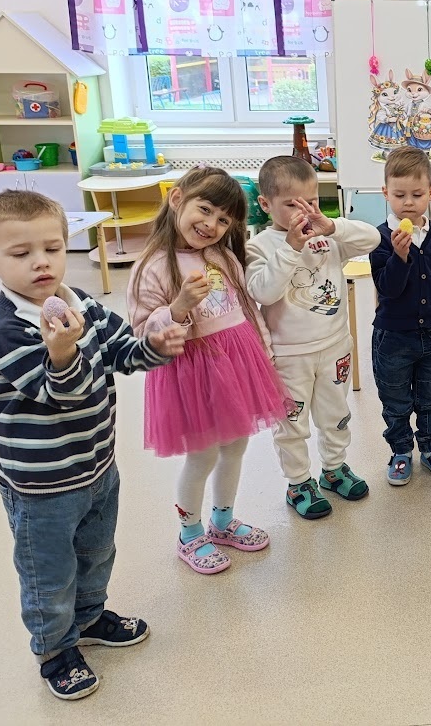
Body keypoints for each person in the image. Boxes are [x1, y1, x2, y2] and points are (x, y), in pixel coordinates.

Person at [0, 191, 186, 699]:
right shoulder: (6, 330)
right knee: (49, 573)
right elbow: (60, 392)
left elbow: (121, 352)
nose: (41, 262)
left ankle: (89, 618)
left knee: (96, 553)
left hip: (96, 466)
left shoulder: (81, 303)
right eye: (21, 253)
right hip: (40, 486)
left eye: (52, 248)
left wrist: (154, 346)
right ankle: (55, 650)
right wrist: (62, 352)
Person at [128, 167, 291, 575]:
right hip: (192, 373)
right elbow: (142, 332)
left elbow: (246, 309)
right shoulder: (151, 266)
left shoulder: (223, 256)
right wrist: (179, 306)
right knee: (202, 456)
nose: (211, 225)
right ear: (177, 199)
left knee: (235, 446)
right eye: (204, 210)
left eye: (223, 219)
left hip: (238, 365)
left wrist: (265, 352)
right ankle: (189, 534)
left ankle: (222, 520)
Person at [246, 155, 384, 520]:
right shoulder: (260, 246)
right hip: (289, 356)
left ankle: (334, 469)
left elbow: (372, 238)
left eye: (310, 202)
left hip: (334, 346)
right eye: (291, 204)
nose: (303, 213)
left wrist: (332, 226)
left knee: (336, 413)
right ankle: (298, 483)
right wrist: (291, 248)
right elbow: (263, 292)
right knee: (292, 423)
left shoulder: (328, 235)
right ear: (266, 204)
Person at [369, 146, 431, 485]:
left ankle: (430, 447)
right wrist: (399, 256)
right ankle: (400, 451)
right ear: (386, 193)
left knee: (430, 398)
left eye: (417, 194)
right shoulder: (380, 238)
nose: (408, 202)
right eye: (399, 195)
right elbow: (387, 289)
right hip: (394, 338)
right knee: (395, 401)